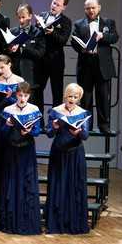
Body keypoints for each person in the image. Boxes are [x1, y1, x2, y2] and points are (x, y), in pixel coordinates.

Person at [46, 83, 91, 234]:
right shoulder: (55, 111)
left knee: (74, 186)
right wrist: (54, 127)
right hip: (59, 153)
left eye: (75, 97)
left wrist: (78, 132)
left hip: (75, 154)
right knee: (58, 186)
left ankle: (74, 222)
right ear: (65, 96)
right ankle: (56, 223)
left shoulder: (83, 113)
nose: (72, 99)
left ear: (79, 99)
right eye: (70, 96)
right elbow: (49, 133)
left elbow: (85, 136)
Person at [0, 82, 42, 235]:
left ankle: (27, 220)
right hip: (11, 150)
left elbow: (38, 131)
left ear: (29, 96)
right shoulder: (8, 110)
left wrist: (30, 131)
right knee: (12, 182)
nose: (22, 98)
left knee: (26, 183)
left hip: (27, 150)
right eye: (20, 95)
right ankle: (10, 222)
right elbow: (2, 134)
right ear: (16, 95)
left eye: (25, 96)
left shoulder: (34, 109)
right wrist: (8, 125)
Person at [71, 0, 118, 133]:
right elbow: (74, 41)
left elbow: (115, 37)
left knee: (103, 96)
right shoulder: (79, 24)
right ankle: (87, 125)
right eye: (88, 8)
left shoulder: (108, 22)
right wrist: (82, 49)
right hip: (86, 64)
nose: (91, 10)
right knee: (86, 97)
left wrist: (103, 36)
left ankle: (104, 125)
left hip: (102, 65)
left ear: (99, 7)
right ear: (85, 9)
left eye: (93, 7)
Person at [38, 0, 72, 110]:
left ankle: (55, 124)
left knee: (57, 93)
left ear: (63, 7)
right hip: (41, 60)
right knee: (37, 91)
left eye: (58, 5)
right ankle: (39, 122)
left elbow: (63, 40)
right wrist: (38, 27)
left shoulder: (66, 21)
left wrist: (53, 33)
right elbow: (35, 36)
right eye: (53, 3)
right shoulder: (43, 15)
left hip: (56, 61)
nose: (54, 6)